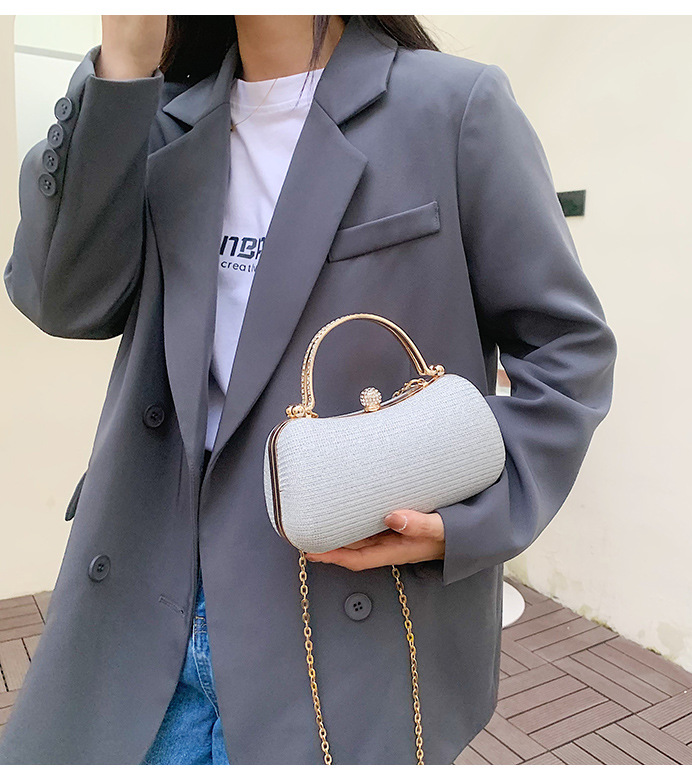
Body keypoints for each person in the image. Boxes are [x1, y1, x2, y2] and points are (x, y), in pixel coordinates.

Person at [0, 14, 617, 765]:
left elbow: (567, 349)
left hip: (335, 613)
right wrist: (125, 58)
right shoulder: (155, 117)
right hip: (142, 609)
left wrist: (473, 517)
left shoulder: (452, 108)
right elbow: (62, 300)